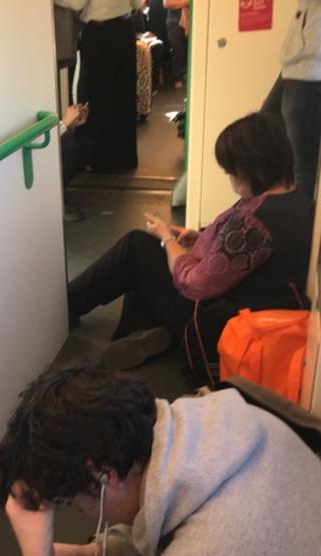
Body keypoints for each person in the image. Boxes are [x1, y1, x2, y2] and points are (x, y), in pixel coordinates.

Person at [0, 364, 321, 556]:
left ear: (103, 476)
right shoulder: (213, 416)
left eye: (75, 504)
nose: (81, 513)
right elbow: (162, 514)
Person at [67, 112, 314, 371]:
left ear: (249, 168)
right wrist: (202, 237)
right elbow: (243, 254)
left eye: (231, 172)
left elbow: (194, 284)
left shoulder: (254, 223)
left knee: (136, 247)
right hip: (247, 311)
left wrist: (167, 239)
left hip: (214, 324)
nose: (230, 179)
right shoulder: (297, 201)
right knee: (147, 251)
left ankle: (67, 305)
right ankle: (154, 331)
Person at [54, 0, 142, 173]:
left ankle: (102, 161)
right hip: (125, 29)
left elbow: (78, 3)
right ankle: (127, 158)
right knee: (124, 97)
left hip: (100, 33)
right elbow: (137, 3)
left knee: (100, 98)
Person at [262, 0, 321, 200]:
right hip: (299, 59)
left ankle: (300, 226)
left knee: (302, 165)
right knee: (263, 129)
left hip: (312, 68)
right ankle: (282, 208)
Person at [163, 0, 189, 88]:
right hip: (174, 20)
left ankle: (187, 75)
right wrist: (185, 2)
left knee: (189, 50)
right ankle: (177, 78)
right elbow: (167, 4)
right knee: (177, 49)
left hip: (190, 19)